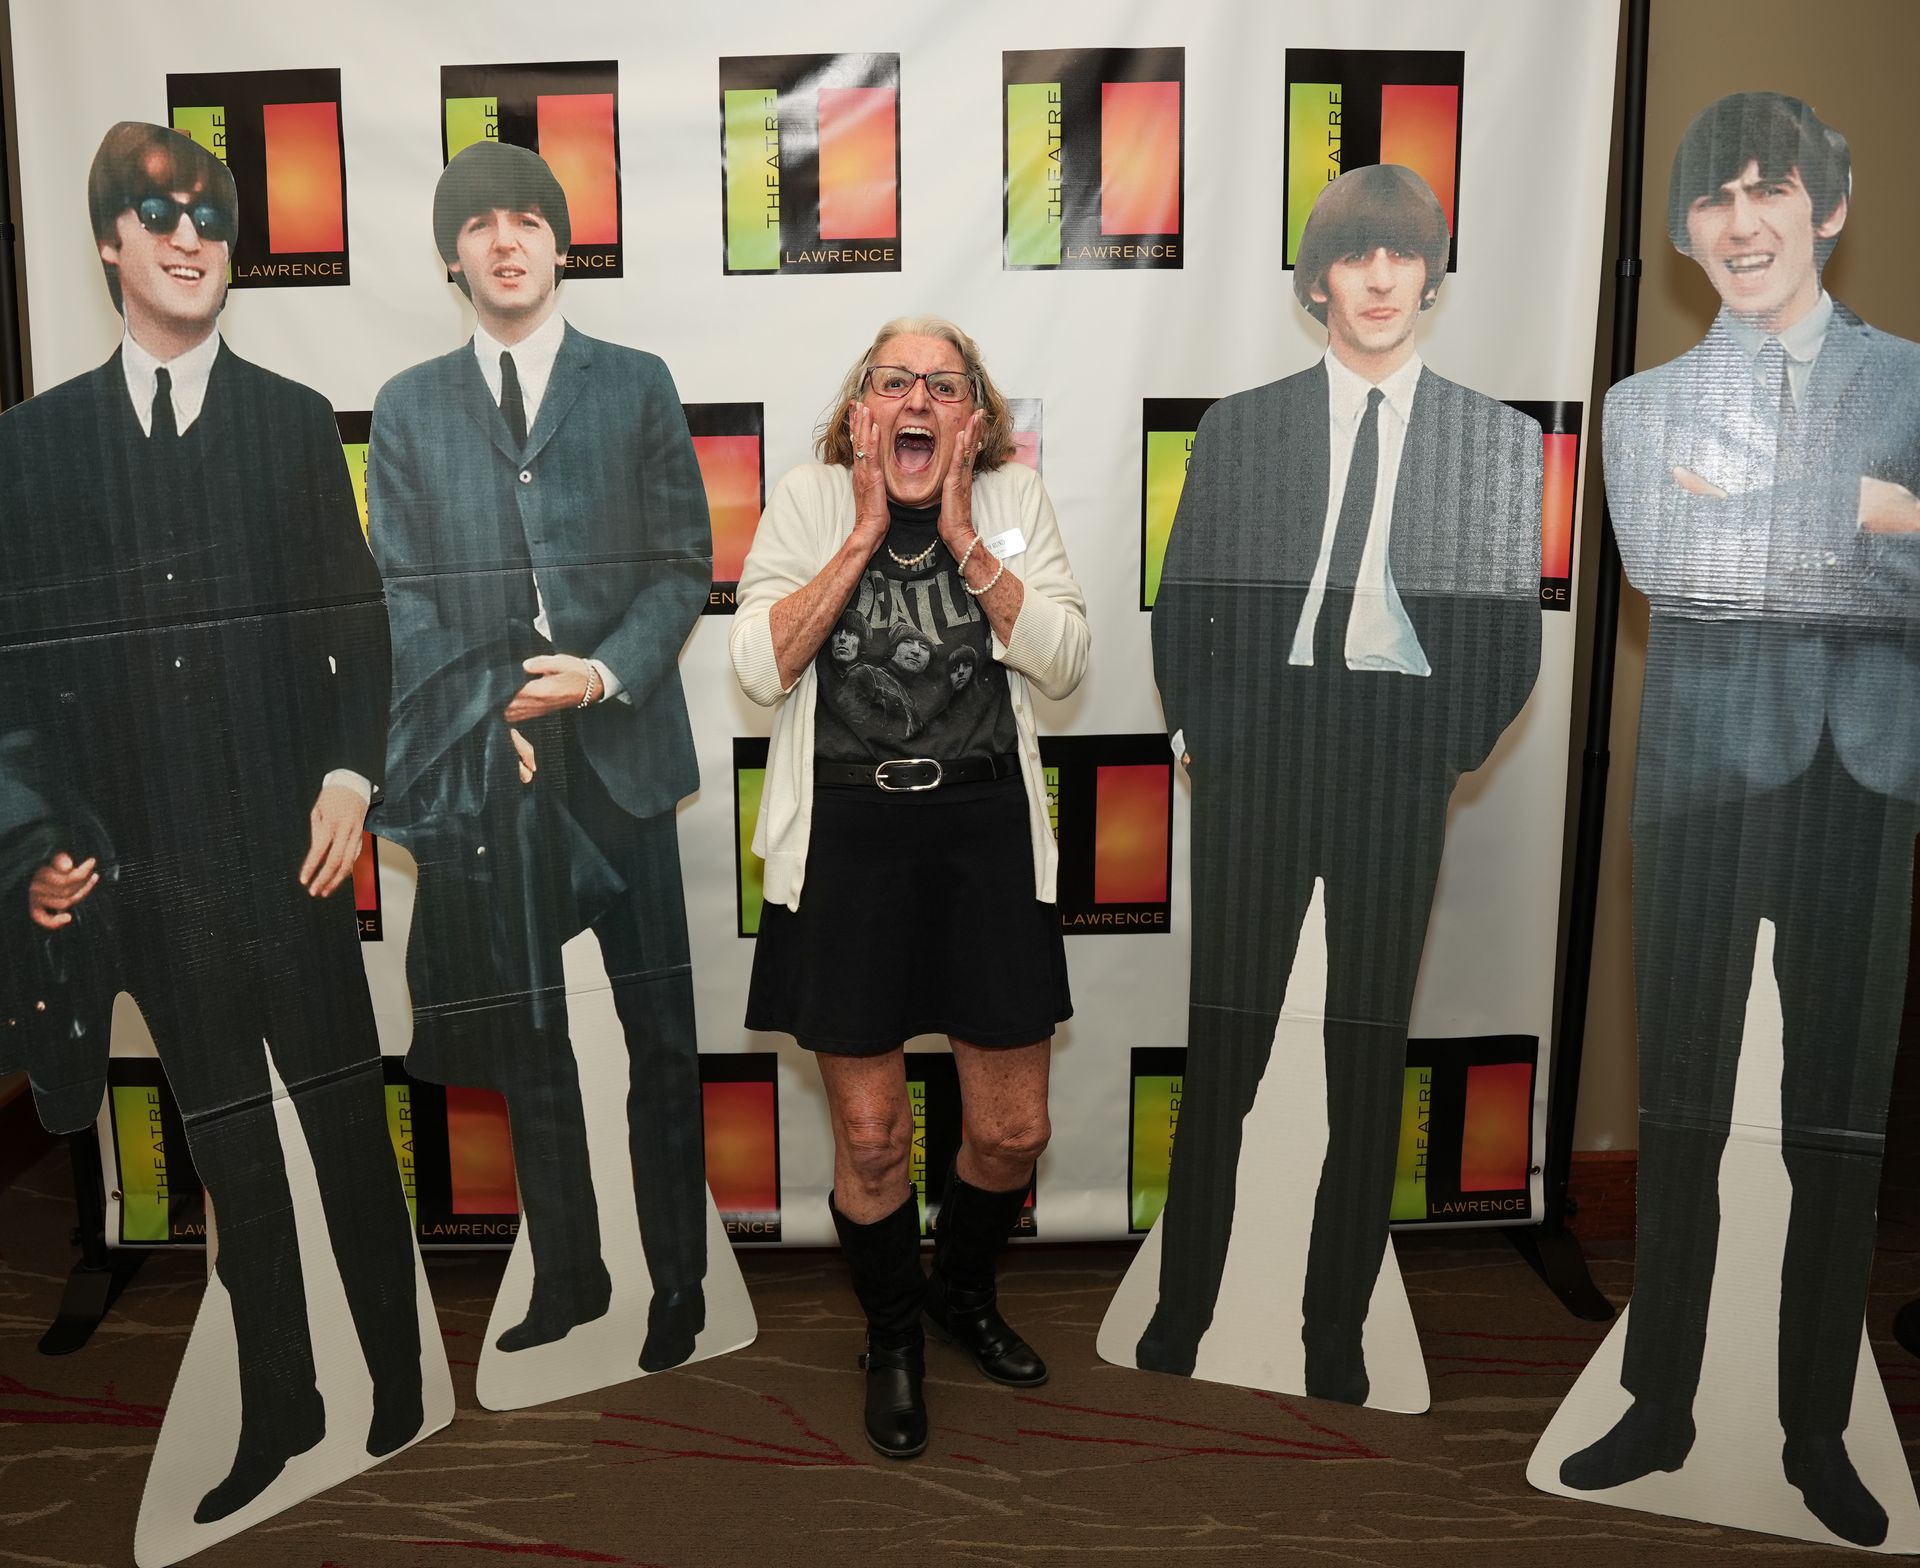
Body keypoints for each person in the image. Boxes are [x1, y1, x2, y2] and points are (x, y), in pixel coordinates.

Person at [0, 122, 422, 1523]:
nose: (190, 237)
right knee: (236, 1160)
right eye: (159, 212)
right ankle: (283, 1408)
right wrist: (37, 849)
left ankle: (399, 1380)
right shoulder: (34, 447)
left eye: (211, 218)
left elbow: (361, 624)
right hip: (149, 882)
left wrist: (352, 777)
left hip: (293, 865)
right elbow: (15, 685)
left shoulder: (295, 422)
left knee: (346, 1133)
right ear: (108, 241)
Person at [1557, 93, 1920, 1548]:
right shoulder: (1645, 409)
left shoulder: (1913, 380)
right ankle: (1659, 1402)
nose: (1743, 221)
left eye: (1774, 190)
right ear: (1684, 230)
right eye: (1716, 198)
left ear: (1829, 208)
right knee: (1685, 1110)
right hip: (1702, 782)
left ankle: (1817, 1427)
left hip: (1866, 781)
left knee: (1838, 1125)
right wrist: (1872, 513)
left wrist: (1769, 503)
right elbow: (1676, 567)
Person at [1137, 165, 1542, 1402]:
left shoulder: (1495, 440)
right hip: (1261, 748)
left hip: (1395, 754)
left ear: (1431, 277)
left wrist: (1436, 749)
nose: (1379, 279)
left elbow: (1510, 637)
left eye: (1402, 255)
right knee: (1227, 1044)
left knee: (1368, 1054)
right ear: (1317, 283)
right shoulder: (1242, 428)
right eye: (1356, 257)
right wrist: (1209, 734)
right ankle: (1183, 1310)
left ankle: (1335, 1330)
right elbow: (1186, 600)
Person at [366, 142, 714, 1374]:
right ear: (451, 256)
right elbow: (404, 591)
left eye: (527, 219)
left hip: (620, 749)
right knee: (529, 1037)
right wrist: (481, 713)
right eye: (479, 225)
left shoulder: (637, 382)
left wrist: (602, 673)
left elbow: (683, 562)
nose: (506, 240)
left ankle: (680, 1281)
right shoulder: (408, 405)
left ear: (562, 243)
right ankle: (571, 1275)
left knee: (660, 1035)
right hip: (495, 764)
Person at [730, 316, 1089, 1458]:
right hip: (850, 836)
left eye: (944, 383)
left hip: (984, 833)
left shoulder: (1015, 502)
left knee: (1014, 1127)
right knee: (875, 1135)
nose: (918, 398)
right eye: (895, 382)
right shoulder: (809, 500)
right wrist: (864, 535)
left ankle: (960, 1293)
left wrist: (971, 539)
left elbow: (1067, 661)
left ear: (973, 418)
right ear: (861, 413)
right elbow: (757, 668)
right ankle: (892, 1336)